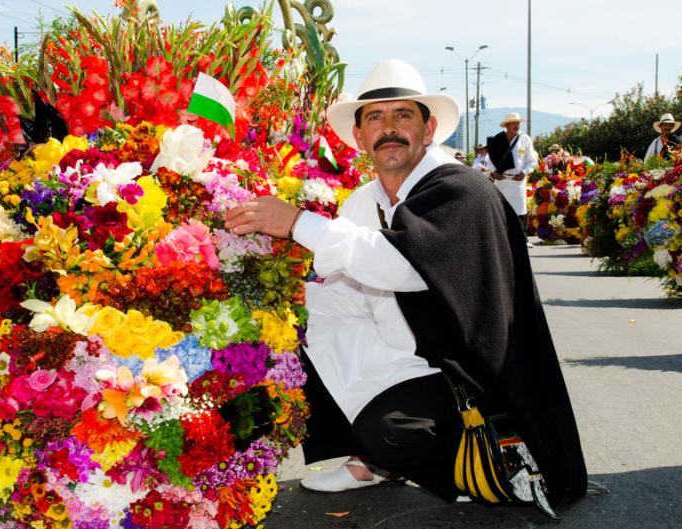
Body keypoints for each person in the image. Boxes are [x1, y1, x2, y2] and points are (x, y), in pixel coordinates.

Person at [224, 59, 587, 508]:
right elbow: (345, 291)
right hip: (412, 363)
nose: (389, 128)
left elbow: (399, 265)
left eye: (403, 116)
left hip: (473, 386)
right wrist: (277, 315)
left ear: (429, 128)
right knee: (290, 360)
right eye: (375, 117)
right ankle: (365, 457)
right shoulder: (364, 201)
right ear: (359, 136)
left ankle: (436, 464)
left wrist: (297, 222)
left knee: (388, 431)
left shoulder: (459, 189)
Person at [486, 112, 538, 248]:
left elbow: (531, 160)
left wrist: (525, 172)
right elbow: (489, 159)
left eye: (518, 123)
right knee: (501, 209)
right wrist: (493, 172)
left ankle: (523, 239)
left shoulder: (525, 139)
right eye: (514, 123)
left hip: (517, 180)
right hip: (502, 180)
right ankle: (502, 238)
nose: (517, 125)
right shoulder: (498, 139)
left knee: (520, 210)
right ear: (507, 125)